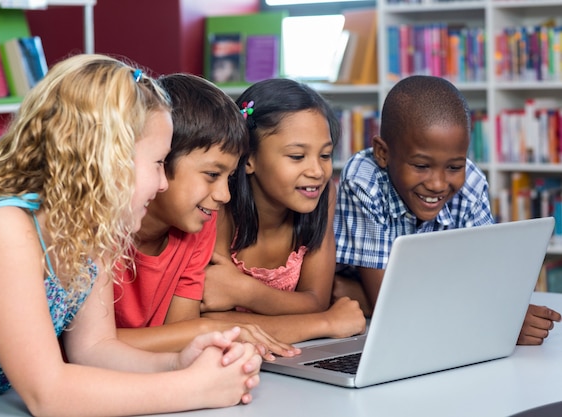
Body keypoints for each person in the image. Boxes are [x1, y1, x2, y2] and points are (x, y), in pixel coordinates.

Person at [0, 54, 261, 414]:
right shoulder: (3, 227)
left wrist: (178, 363)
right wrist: (195, 389)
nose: (163, 182)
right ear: (108, 158)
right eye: (157, 163)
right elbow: (49, 394)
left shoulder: (90, 231)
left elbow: (94, 349)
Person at [332, 74, 561, 345]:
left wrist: (490, 307)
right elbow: (388, 306)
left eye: (454, 167)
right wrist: (499, 323)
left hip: (422, 310)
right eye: (420, 166)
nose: (438, 184)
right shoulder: (363, 181)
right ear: (383, 153)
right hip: (380, 333)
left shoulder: (472, 184)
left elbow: (485, 280)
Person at [113, 72, 297, 359]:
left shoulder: (200, 226)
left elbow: (178, 334)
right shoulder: (101, 231)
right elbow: (91, 345)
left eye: (229, 177)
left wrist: (201, 333)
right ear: (160, 159)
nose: (224, 195)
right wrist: (206, 329)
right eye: (212, 174)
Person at [201, 78, 366, 344]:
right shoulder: (220, 205)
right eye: (297, 156)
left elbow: (316, 300)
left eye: (325, 156)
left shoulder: (322, 195)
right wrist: (325, 323)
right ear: (249, 158)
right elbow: (208, 324)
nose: (316, 171)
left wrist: (245, 291)